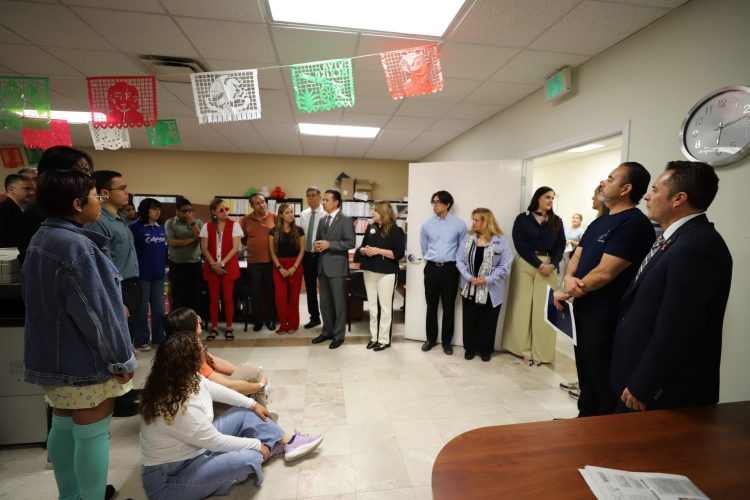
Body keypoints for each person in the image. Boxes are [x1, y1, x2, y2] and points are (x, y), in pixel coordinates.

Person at [22, 169, 136, 500]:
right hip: (83, 358)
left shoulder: (41, 238)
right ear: (77, 203)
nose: (99, 201)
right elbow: (97, 314)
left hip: (51, 356)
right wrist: (120, 359)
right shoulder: (78, 247)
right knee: (92, 433)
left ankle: (69, 496)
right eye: (95, 196)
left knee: (63, 423)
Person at [138, 332, 323, 500]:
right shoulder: (177, 406)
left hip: (197, 449)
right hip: (170, 480)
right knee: (249, 457)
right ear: (189, 361)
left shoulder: (186, 378)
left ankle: (288, 442)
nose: (205, 351)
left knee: (245, 412)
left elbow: (217, 390)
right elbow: (216, 442)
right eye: (201, 349)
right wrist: (257, 445)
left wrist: (253, 404)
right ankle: (263, 448)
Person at [612, 161, 732, 412]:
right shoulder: (676, 239)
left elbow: (680, 327)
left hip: (661, 390)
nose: (647, 196)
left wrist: (645, 383)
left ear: (678, 199)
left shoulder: (697, 246)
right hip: (637, 372)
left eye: (655, 190)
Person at [553, 162, 655, 417]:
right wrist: (568, 278)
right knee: (586, 373)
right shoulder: (600, 222)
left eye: (610, 179)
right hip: (584, 309)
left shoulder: (634, 223)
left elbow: (606, 272)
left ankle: (601, 428)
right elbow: (577, 256)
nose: (602, 182)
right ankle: (585, 420)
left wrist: (570, 290)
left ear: (626, 188)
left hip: (607, 315)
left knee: (602, 377)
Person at [501, 186, 565, 366]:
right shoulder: (523, 219)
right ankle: (522, 349)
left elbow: (560, 245)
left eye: (552, 198)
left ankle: (542, 352)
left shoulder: (557, 221)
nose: (550, 200)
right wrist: (538, 264)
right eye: (547, 197)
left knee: (544, 309)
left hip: (549, 266)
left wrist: (552, 264)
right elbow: (519, 244)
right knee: (522, 307)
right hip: (525, 263)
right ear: (538, 198)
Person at [164, 308, 270, 405]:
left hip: (209, 395)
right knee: (253, 374)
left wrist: (242, 373)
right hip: (209, 403)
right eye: (195, 318)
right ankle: (261, 409)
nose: (199, 320)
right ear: (188, 326)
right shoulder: (192, 356)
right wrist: (259, 387)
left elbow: (215, 361)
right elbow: (228, 387)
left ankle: (258, 401)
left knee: (249, 371)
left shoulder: (184, 347)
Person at [86, 170, 141, 344]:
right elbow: (97, 266)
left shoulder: (121, 217)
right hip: (116, 288)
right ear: (105, 193)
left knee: (128, 339)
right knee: (117, 341)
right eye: (122, 188)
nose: (127, 192)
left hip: (130, 285)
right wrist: (114, 299)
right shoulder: (98, 222)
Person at [17, 146, 94, 265]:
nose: (88, 177)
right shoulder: (39, 208)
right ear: (59, 173)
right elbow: (30, 257)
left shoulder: (69, 202)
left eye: (88, 172)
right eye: (83, 171)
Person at [457, 208, 513, 362]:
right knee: (469, 319)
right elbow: (459, 260)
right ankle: (470, 349)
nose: (473, 223)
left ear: (486, 222)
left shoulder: (500, 241)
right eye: (473, 219)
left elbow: (505, 265)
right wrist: (469, 277)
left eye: (477, 220)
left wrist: (487, 279)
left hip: (491, 289)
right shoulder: (468, 238)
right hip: (469, 287)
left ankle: (485, 350)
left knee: (488, 321)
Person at [419, 190, 467, 355]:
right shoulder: (426, 225)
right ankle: (430, 339)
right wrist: (432, 260)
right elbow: (424, 247)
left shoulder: (459, 225)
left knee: (449, 307)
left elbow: (462, 249)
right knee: (431, 306)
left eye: (438, 202)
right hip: (432, 269)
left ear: (448, 204)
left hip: (450, 270)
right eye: (433, 202)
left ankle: (447, 343)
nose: (435, 205)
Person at [356, 200, 405, 351]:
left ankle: (384, 339)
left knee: (385, 308)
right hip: (370, 271)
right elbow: (361, 247)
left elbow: (398, 254)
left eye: (375, 210)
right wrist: (364, 251)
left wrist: (378, 251)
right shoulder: (370, 228)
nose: (372, 213)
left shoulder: (396, 230)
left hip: (387, 274)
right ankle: (374, 337)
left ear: (384, 212)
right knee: (372, 307)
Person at [311, 189, 355, 349]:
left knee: (338, 304)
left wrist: (330, 244)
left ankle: (339, 335)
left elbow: (351, 242)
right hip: (322, 267)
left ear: (336, 202)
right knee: (324, 303)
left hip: (337, 268)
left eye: (326, 200)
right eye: (323, 199)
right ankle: (327, 331)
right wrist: (317, 245)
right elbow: (319, 240)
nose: (323, 202)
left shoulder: (346, 219)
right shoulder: (322, 219)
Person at [200, 198, 242, 341]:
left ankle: (229, 327)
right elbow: (204, 248)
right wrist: (214, 264)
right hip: (211, 267)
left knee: (228, 298)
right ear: (213, 212)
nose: (225, 212)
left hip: (228, 266)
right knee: (213, 299)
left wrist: (221, 263)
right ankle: (214, 327)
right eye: (221, 210)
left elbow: (235, 248)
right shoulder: (207, 226)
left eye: (226, 209)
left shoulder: (235, 225)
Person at [130, 197, 168, 350]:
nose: (157, 212)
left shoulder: (161, 227)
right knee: (142, 309)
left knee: (159, 308)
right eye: (154, 208)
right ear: (145, 210)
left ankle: (159, 337)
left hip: (159, 274)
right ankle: (141, 340)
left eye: (159, 209)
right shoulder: (135, 227)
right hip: (142, 275)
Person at [240, 193, 277, 332]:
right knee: (255, 292)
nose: (261, 205)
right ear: (252, 206)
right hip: (253, 261)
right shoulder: (245, 219)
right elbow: (243, 239)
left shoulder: (274, 216)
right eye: (257, 203)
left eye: (263, 202)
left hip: (271, 261)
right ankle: (258, 320)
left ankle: (271, 319)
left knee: (270, 291)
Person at [269, 203, 305, 334]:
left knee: (294, 297)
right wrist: (280, 268)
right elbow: (272, 252)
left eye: (291, 212)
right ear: (280, 215)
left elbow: (302, 250)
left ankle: (293, 324)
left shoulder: (299, 230)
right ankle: (283, 324)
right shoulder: (273, 231)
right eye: (287, 213)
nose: (291, 215)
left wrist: (294, 267)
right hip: (279, 266)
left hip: (295, 265)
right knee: (280, 298)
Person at [165, 197, 204, 312]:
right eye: (184, 211)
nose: (187, 213)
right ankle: (180, 321)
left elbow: (201, 238)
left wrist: (192, 223)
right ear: (177, 211)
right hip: (177, 265)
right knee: (179, 296)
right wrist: (192, 239)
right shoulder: (170, 223)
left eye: (190, 210)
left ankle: (194, 320)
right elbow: (172, 243)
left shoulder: (198, 222)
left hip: (194, 264)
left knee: (195, 296)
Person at [298, 186, 325, 329]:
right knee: (310, 289)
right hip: (307, 256)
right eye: (308, 195)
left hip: (322, 255)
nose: (310, 198)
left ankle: (328, 319)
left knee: (325, 289)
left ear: (320, 197)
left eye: (314, 195)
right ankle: (314, 318)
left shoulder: (326, 213)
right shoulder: (303, 214)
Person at [0, 173, 34, 247]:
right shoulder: (3, 209)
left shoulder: (28, 209)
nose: (32, 193)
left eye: (33, 189)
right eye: (27, 189)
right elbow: (4, 240)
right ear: (11, 190)